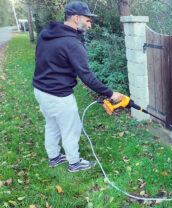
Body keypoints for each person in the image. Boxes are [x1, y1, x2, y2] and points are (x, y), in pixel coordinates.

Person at [32, 1, 123, 172]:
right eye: (87, 21)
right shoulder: (72, 43)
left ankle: (54, 157)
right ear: (76, 18)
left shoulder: (46, 33)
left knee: (51, 125)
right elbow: (87, 77)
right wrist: (110, 93)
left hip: (40, 90)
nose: (90, 25)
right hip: (59, 95)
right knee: (70, 129)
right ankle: (74, 163)